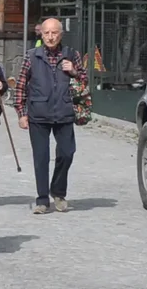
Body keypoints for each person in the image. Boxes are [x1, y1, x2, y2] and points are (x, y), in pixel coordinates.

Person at [13, 14, 91, 212]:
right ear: (41, 33)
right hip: (38, 113)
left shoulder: (71, 54)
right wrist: (22, 113)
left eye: (54, 33)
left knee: (67, 153)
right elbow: (21, 86)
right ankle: (41, 199)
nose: (50, 36)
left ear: (61, 34)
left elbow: (84, 81)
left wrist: (73, 71)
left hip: (64, 112)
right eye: (46, 32)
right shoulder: (32, 56)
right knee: (41, 157)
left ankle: (58, 192)